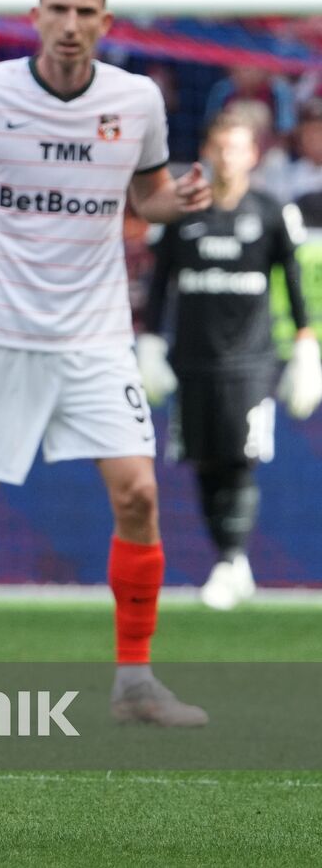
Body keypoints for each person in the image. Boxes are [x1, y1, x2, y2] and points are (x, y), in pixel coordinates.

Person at [0, 0, 213, 727]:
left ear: (106, 22)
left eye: (86, 14)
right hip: (0, 329)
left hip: (96, 331)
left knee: (141, 492)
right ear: (36, 14)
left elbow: (146, 194)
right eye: (58, 10)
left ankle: (135, 680)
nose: (71, 26)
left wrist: (177, 200)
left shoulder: (137, 99)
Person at [139, 112, 321, 609]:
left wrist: (306, 345)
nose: (227, 157)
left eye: (237, 148)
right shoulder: (182, 213)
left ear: (253, 154)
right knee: (204, 459)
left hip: (251, 361)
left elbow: (293, 279)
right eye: (219, 148)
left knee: (241, 459)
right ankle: (231, 561)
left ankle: (230, 559)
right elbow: (160, 283)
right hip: (193, 359)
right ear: (206, 151)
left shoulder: (269, 210)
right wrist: (152, 341)